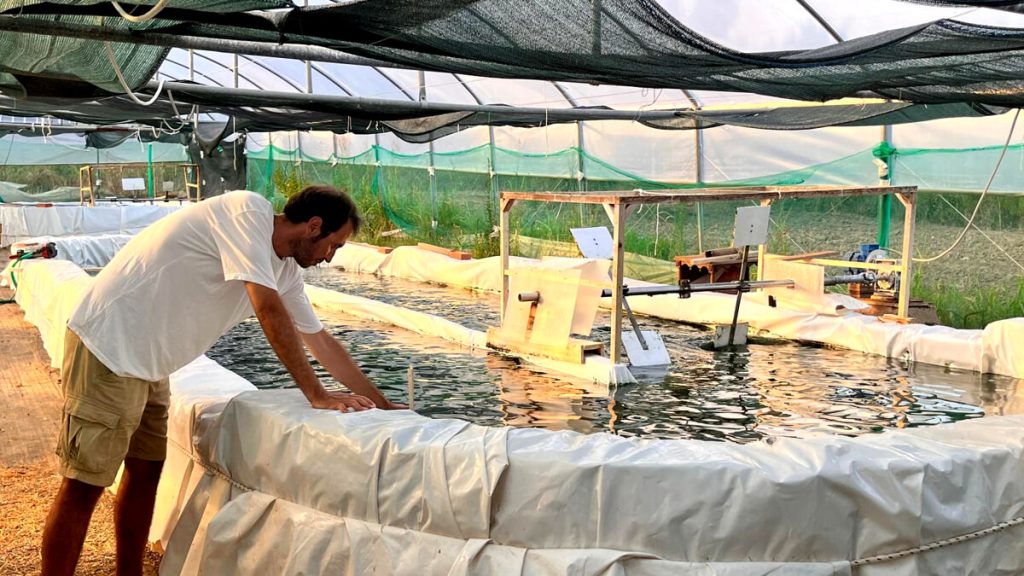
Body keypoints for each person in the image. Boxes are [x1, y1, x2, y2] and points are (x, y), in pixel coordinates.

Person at [40, 185, 404, 576]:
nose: (329, 257)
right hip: (110, 345)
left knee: (145, 474)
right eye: (334, 245)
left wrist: (382, 404)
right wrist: (316, 395)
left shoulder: (284, 271)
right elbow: (267, 308)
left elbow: (320, 341)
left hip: (151, 362)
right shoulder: (247, 212)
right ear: (314, 226)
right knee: (84, 484)